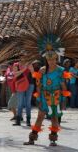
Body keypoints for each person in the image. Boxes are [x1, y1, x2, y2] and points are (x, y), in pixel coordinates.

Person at [20, 8, 76, 147]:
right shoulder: (42, 70)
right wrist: (38, 98)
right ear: (46, 58)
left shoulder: (61, 71)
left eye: (53, 58)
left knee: (55, 118)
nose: (51, 60)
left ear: (56, 58)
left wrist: (64, 100)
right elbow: (39, 85)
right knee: (40, 116)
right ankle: (32, 138)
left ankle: (53, 138)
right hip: (45, 97)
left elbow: (63, 86)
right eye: (49, 58)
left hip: (56, 96)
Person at [12, 61, 32, 126]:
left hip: (30, 84)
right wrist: (24, 69)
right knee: (20, 103)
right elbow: (15, 74)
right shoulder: (16, 64)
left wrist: (29, 66)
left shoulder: (29, 63)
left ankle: (28, 121)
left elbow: (33, 73)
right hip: (20, 84)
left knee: (28, 103)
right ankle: (18, 120)